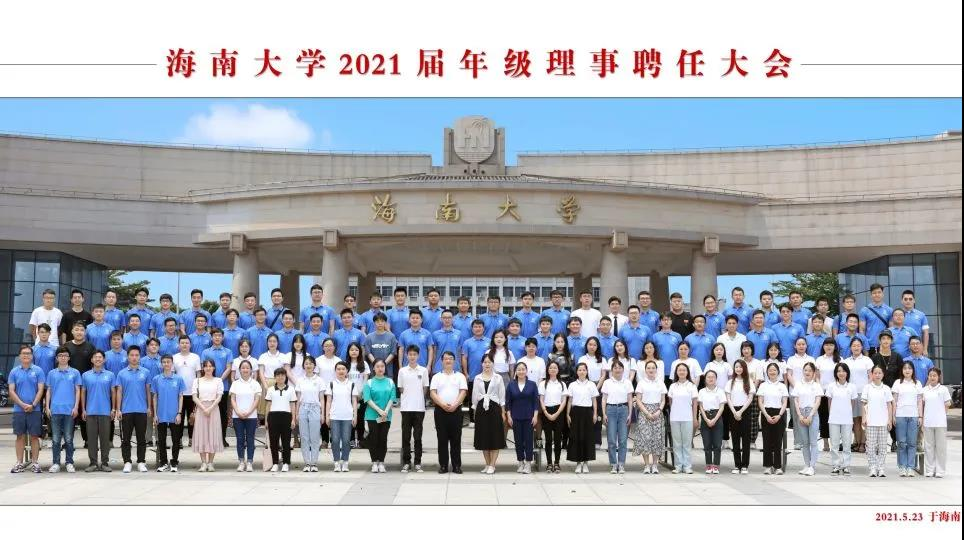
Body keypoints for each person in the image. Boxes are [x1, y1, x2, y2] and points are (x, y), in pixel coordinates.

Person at [114, 346, 152, 473]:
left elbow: (148, 391)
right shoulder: (122, 373)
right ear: (128, 357)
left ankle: (141, 461)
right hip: (126, 410)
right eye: (132, 355)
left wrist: (149, 407)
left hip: (141, 410)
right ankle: (127, 462)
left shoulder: (146, 372)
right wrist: (118, 409)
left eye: (136, 355)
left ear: (140, 357)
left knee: (141, 438)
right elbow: (119, 391)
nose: (134, 357)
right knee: (126, 439)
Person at [9, 346, 45, 474]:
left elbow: (41, 389)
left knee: (34, 436)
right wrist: (22, 404)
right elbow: (11, 390)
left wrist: (33, 405)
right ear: (19, 356)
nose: (26, 355)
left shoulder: (38, 371)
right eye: (24, 353)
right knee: (20, 436)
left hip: (35, 410)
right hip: (19, 410)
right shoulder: (14, 372)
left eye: (29, 353)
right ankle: (19, 463)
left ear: (32, 356)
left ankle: (35, 463)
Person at [44, 346, 81, 473]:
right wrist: (47, 407)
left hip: (69, 410)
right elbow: (48, 391)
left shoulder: (75, 373)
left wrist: (76, 407)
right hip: (55, 410)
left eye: (65, 355)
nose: (63, 357)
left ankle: (69, 462)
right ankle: (56, 463)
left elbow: (77, 391)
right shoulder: (51, 373)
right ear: (56, 358)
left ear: (69, 358)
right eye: (60, 355)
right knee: (55, 439)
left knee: (69, 439)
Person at [431, 352, 467, 474]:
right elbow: (433, 393)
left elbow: (463, 392)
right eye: (446, 359)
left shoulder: (460, 376)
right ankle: (443, 465)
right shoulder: (436, 376)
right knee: (442, 439)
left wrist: (455, 405)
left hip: (456, 411)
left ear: (454, 361)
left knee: (456, 439)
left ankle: (456, 465)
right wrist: (442, 405)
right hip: (440, 411)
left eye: (450, 359)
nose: (448, 361)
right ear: (442, 361)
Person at [80, 351, 114, 472]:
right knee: (91, 439)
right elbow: (83, 392)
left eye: (100, 357)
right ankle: (93, 463)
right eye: (95, 357)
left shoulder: (110, 375)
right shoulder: (86, 375)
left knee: (105, 439)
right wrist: (83, 409)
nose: (98, 359)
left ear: (104, 360)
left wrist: (113, 408)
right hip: (90, 411)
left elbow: (113, 392)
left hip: (105, 411)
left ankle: (104, 463)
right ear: (92, 360)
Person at [472, 355, 506, 474]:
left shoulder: (498, 378)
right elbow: (474, 396)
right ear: (482, 364)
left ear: (493, 364)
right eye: (485, 362)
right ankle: (487, 464)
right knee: (484, 438)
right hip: (481, 409)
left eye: (489, 362)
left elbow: (502, 396)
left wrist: (503, 412)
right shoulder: (477, 378)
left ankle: (492, 465)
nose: (487, 364)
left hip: (495, 408)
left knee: (495, 437)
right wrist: (475, 412)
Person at [151, 355, 186, 472]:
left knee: (176, 440)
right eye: (164, 362)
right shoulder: (156, 379)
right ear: (161, 364)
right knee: (161, 440)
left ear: (172, 364)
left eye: (168, 362)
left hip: (174, 414)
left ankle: (174, 462)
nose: (166, 364)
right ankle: (163, 462)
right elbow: (155, 397)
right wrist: (155, 414)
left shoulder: (178, 379)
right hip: (161, 414)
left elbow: (180, 397)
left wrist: (179, 413)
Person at [397, 345, 429, 473]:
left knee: (417, 437)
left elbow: (425, 388)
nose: (412, 357)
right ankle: (406, 462)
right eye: (410, 354)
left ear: (418, 356)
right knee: (405, 437)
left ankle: (417, 462)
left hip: (419, 408)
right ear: (406, 355)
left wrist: (418, 398)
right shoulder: (402, 371)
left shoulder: (423, 370)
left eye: (414, 354)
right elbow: (400, 388)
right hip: (406, 408)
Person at [632, 359, 666, 474]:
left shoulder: (660, 382)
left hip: (657, 412)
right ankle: (646, 465)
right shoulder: (641, 383)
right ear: (645, 370)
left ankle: (655, 465)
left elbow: (663, 400)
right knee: (645, 438)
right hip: (644, 412)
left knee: (657, 438)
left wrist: (659, 410)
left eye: (653, 368)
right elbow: (638, 400)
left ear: (656, 370)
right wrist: (646, 413)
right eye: (648, 368)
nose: (651, 370)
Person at [506, 362, 540, 474]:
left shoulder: (532, 384)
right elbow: (508, 402)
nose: (521, 371)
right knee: (518, 441)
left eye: (523, 369)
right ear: (516, 371)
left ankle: (528, 463)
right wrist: (509, 416)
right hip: (515, 417)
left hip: (529, 417)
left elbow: (536, 402)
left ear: (526, 371)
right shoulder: (511, 385)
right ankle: (520, 462)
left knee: (528, 440)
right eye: (519, 369)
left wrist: (535, 416)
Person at [364, 359, 397, 473]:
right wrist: (379, 410)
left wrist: (385, 411)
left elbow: (392, 397)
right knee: (374, 439)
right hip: (372, 415)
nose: (380, 368)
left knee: (383, 439)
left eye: (382, 366)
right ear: (373, 368)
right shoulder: (369, 382)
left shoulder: (390, 382)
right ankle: (374, 462)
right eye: (377, 366)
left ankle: (381, 462)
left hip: (386, 416)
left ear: (385, 368)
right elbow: (367, 399)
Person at [202, 328, 233, 447]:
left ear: (222, 337)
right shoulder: (205, 352)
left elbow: (229, 368)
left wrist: (219, 380)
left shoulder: (228, 351)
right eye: (215, 335)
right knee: (208, 413)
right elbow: (204, 368)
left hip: (223, 387)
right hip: (207, 387)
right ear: (211, 337)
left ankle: (222, 438)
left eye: (219, 335)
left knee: (222, 414)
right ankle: (208, 439)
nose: (217, 337)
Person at [601, 359, 633, 474]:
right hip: (611, 410)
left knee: (623, 440)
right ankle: (614, 464)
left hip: (624, 410)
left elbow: (630, 399)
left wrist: (630, 414)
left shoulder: (627, 382)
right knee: (611, 440)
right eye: (615, 368)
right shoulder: (607, 382)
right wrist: (604, 413)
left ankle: (621, 464)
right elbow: (604, 399)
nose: (617, 370)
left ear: (623, 370)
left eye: (620, 368)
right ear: (612, 370)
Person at [327, 361, 360, 472]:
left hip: (347, 416)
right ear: (335, 371)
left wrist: (355, 416)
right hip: (334, 416)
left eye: (343, 369)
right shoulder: (331, 384)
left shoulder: (351, 384)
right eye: (338, 369)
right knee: (335, 440)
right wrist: (327, 415)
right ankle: (336, 462)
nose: (341, 371)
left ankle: (345, 462)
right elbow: (328, 401)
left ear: (347, 371)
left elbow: (354, 401)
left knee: (346, 440)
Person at [566, 363, 599, 473]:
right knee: (576, 438)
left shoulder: (591, 384)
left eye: (584, 370)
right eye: (580, 370)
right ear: (577, 372)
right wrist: (567, 414)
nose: (582, 372)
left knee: (587, 438)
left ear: (587, 371)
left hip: (588, 412)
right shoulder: (572, 385)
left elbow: (594, 400)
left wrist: (595, 414)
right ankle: (578, 463)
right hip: (575, 412)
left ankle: (585, 463)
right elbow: (570, 401)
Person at [891, 361, 923, 477]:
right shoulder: (897, 383)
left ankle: (910, 467)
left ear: (913, 370)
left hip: (914, 416)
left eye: (909, 368)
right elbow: (894, 401)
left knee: (912, 443)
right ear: (902, 370)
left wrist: (920, 416)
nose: (907, 370)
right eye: (905, 368)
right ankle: (902, 467)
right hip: (900, 416)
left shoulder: (917, 383)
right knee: (902, 443)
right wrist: (893, 415)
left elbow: (919, 401)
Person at [862, 365, 894, 477]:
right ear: (871, 374)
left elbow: (889, 405)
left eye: (879, 373)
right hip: (871, 421)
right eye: (875, 373)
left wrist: (889, 420)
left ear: (883, 374)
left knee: (882, 447)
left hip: (883, 422)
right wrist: (864, 418)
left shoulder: (886, 388)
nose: (877, 375)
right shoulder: (867, 388)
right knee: (870, 446)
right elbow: (864, 404)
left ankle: (881, 468)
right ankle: (872, 468)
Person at [229, 359, 261, 472]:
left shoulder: (255, 384)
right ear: (239, 370)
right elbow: (233, 399)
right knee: (240, 439)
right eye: (243, 368)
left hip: (251, 416)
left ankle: (250, 462)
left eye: (247, 368)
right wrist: (238, 411)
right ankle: (241, 462)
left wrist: (249, 412)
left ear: (251, 370)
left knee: (250, 439)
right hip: (237, 416)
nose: (245, 370)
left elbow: (257, 400)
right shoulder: (235, 383)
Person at [791, 362, 822, 476]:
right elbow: (796, 400)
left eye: (810, 370)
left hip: (812, 413)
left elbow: (818, 401)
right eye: (805, 370)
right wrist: (800, 415)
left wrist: (810, 416)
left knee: (813, 442)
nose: (807, 372)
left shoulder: (816, 385)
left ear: (814, 373)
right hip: (801, 413)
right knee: (805, 442)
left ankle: (812, 466)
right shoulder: (798, 384)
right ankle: (807, 465)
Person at [757, 362, 789, 475]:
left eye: (774, 370)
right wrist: (766, 415)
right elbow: (760, 402)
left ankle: (777, 466)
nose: (772, 372)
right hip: (766, 413)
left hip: (779, 413)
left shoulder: (782, 386)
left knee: (778, 441)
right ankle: (768, 466)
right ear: (767, 372)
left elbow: (784, 402)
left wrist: (779, 415)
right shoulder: (763, 385)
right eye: (770, 370)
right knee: (767, 441)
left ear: (778, 372)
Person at [826, 363, 857, 475]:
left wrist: (847, 413)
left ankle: (846, 465)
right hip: (834, 418)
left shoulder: (852, 387)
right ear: (836, 373)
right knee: (834, 444)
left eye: (843, 371)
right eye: (839, 371)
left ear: (847, 373)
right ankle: (835, 465)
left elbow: (852, 403)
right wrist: (832, 414)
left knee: (847, 443)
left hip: (847, 419)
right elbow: (829, 402)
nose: (841, 373)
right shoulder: (831, 386)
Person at [843, 337, 873, 453]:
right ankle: (857, 442)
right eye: (854, 346)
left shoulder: (867, 360)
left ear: (862, 347)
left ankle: (863, 443)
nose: (856, 348)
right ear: (850, 347)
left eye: (858, 345)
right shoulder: (846, 361)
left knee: (864, 419)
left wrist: (868, 390)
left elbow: (870, 377)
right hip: (851, 394)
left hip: (864, 393)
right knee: (855, 420)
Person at [667, 362, 698, 474]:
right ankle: (678, 466)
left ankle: (687, 466)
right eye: (679, 370)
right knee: (677, 443)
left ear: (687, 372)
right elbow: (671, 402)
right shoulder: (672, 386)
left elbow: (695, 404)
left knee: (686, 443)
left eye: (684, 370)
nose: (682, 372)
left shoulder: (692, 386)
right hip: (675, 418)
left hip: (688, 418)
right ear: (676, 372)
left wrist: (695, 418)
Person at [725, 359, 755, 474]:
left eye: (740, 367)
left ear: (744, 368)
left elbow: (750, 398)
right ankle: (737, 465)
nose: (738, 369)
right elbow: (728, 398)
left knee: (746, 439)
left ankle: (745, 465)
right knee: (735, 438)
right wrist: (734, 412)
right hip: (733, 411)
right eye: (736, 367)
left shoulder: (749, 381)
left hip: (745, 411)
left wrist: (741, 411)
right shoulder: (730, 382)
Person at [265, 367, 297, 472]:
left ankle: (286, 463)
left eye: (282, 375)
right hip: (273, 416)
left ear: (285, 377)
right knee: (273, 442)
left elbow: (293, 405)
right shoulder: (270, 389)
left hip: (286, 416)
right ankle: (275, 463)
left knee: (286, 441)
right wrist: (266, 420)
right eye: (278, 375)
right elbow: (268, 406)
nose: (280, 377)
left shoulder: (291, 389)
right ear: (275, 377)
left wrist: (293, 419)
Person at [921, 368, 951, 478]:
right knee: (928, 447)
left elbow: (947, 404)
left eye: (934, 375)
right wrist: (922, 420)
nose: (932, 377)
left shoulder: (943, 389)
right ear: (928, 377)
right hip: (928, 422)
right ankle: (929, 470)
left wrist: (942, 416)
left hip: (940, 423)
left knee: (941, 447)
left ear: (939, 377)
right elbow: (922, 406)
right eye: (930, 375)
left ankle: (940, 470)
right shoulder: (924, 390)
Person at [786, 336, 815, 451]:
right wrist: (798, 387)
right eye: (799, 344)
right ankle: (798, 442)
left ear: (806, 346)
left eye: (803, 344)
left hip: (809, 393)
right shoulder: (791, 359)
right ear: (795, 346)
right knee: (797, 417)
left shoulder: (811, 359)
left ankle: (807, 442)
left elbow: (813, 375)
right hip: (795, 392)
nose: (801, 346)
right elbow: (789, 375)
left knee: (808, 416)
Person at [295, 355, 324, 471]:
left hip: (315, 408)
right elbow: (298, 398)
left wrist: (322, 413)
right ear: (303, 366)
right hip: (303, 408)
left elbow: (321, 398)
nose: (308, 366)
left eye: (311, 363)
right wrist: (296, 413)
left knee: (315, 437)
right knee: (304, 437)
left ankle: (314, 463)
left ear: (314, 366)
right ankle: (307, 463)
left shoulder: (319, 380)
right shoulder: (300, 380)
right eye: (306, 363)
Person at [539, 361, 568, 473]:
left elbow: (564, 401)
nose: (553, 369)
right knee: (548, 439)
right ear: (547, 370)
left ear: (558, 370)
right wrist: (546, 412)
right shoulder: (543, 384)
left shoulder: (562, 384)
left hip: (558, 412)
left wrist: (557, 413)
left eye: (555, 368)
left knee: (557, 439)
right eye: (550, 368)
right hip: (546, 411)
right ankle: (549, 463)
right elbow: (541, 399)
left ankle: (557, 463)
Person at [577, 336, 606, 447]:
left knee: (597, 414)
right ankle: (586, 440)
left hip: (598, 387)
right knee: (586, 413)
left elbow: (603, 375)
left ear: (597, 346)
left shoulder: (602, 359)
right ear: (586, 346)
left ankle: (597, 440)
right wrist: (588, 388)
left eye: (594, 345)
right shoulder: (582, 359)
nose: (592, 347)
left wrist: (596, 388)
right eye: (590, 344)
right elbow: (580, 373)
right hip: (585, 387)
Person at [172, 335, 201, 447]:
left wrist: (198, 390)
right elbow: (173, 375)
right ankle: (178, 439)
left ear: (190, 344)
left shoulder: (195, 357)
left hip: (192, 393)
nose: (184, 345)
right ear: (179, 345)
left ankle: (191, 439)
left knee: (192, 417)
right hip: (179, 393)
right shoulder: (174, 357)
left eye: (187, 343)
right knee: (179, 416)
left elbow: (198, 374)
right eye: (182, 343)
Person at [697, 369, 726, 474]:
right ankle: (708, 465)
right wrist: (705, 419)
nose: (710, 379)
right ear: (705, 379)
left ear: (716, 379)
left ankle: (716, 465)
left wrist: (714, 419)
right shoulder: (701, 391)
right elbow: (700, 406)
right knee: (707, 443)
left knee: (717, 444)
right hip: (705, 416)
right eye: (708, 377)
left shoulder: (720, 391)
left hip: (717, 416)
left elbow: (722, 407)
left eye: (713, 377)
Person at [814, 338, 839, 452]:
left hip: (836, 393)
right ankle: (825, 442)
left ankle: (835, 442)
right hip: (823, 393)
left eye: (831, 345)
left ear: (835, 347)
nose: (829, 347)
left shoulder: (839, 359)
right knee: (824, 418)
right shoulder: (819, 359)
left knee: (835, 418)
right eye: (826, 345)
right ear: (823, 347)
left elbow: (841, 375)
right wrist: (820, 388)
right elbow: (817, 376)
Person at [738, 342, 763, 450]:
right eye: (744, 349)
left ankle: (752, 441)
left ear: (752, 350)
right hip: (740, 393)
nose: (746, 351)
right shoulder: (739, 362)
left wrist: (752, 391)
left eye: (748, 348)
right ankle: (741, 440)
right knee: (741, 416)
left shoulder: (758, 363)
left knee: (753, 417)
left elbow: (758, 379)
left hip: (753, 392)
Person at [345, 343, 370, 448]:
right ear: (348, 352)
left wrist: (361, 393)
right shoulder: (345, 364)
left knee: (360, 418)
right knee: (349, 418)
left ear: (359, 351)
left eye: (356, 350)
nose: (354, 352)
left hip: (361, 396)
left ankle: (360, 440)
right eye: (352, 350)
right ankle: (350, 440)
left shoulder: (364, 364)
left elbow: (365, 380)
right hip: (348, 396)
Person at [859, 283, 893, 356]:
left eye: (879, 292)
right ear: (871, 295)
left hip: (884, 345)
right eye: (874, 293)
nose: (877, 295)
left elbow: (891, 330)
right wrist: (865, 347)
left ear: (882, 294)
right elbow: (862, 330)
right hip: (869, 346)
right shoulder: (864, 310)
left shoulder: (889, 310)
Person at [652, 314, 683, 384]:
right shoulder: (655, 336)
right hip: (659, 369)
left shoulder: (677, 336)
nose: (666, 322)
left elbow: (682, 352)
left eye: (668, 320)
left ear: (671, 321)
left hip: (675, 369)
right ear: (660, 322)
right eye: (664, 320)